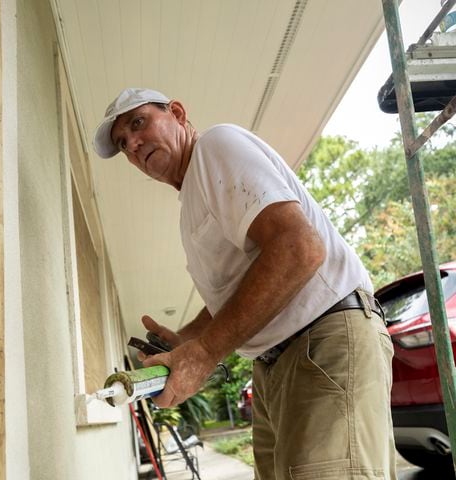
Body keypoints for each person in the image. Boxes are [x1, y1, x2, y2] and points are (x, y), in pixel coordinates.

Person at [93, 88, 396, 479]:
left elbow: (299, 248)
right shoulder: (191, 201)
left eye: (138, 123)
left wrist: (203, 353)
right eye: (122, 144)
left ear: (179, 113)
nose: (132, 144)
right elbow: (239, 287)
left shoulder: (216, 147)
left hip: (322, 342)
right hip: (276, 363)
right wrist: (188, 339)